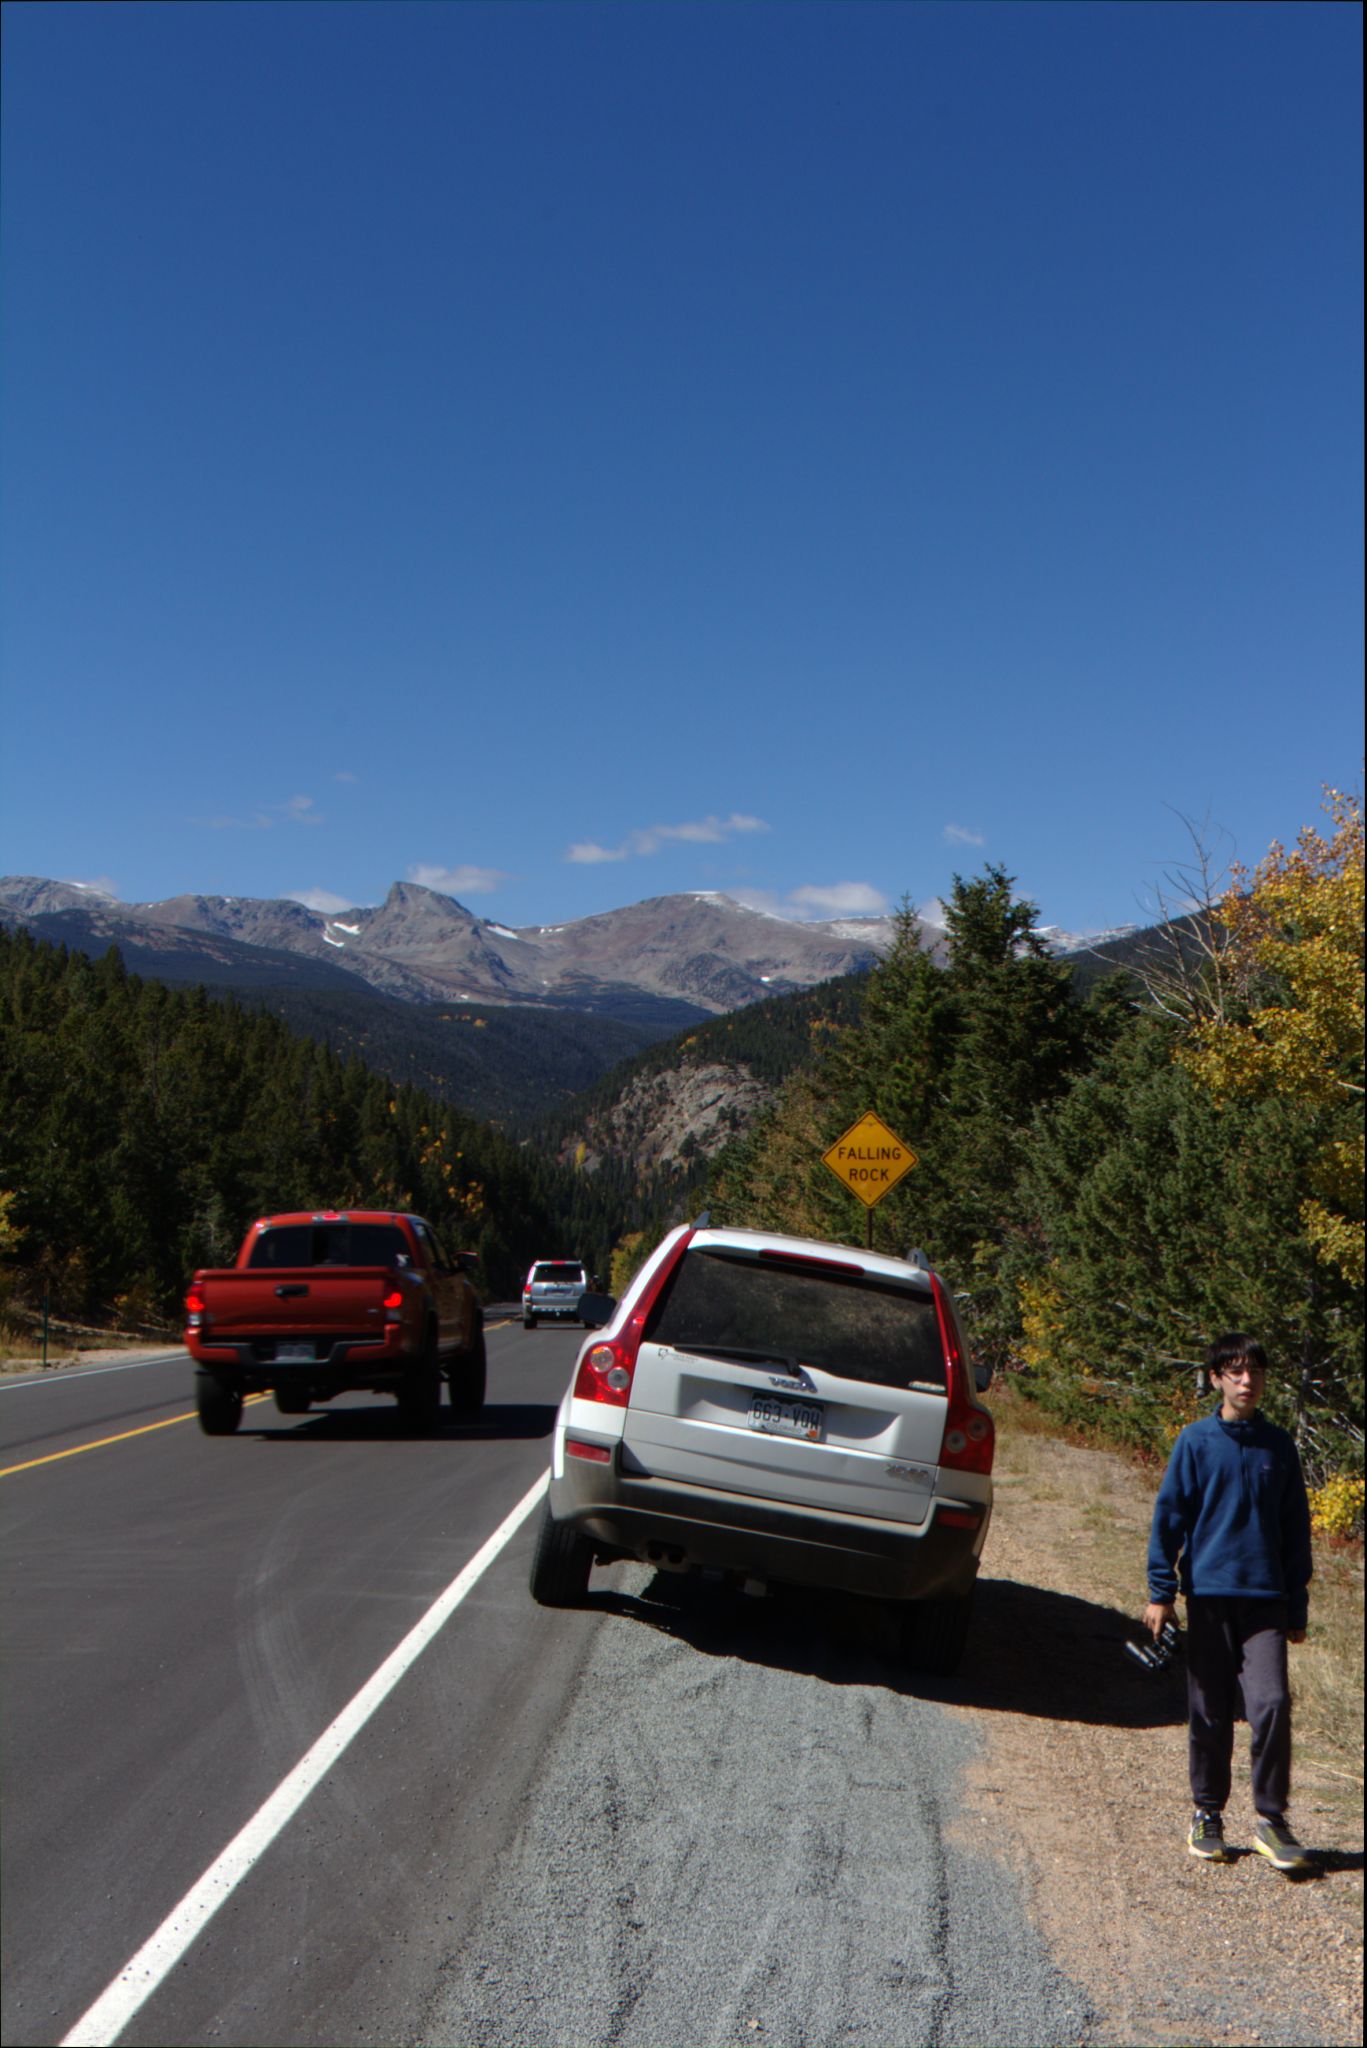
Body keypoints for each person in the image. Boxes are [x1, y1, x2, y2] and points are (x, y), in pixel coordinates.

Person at [1144, 1332, 1317, 1874]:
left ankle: (1271, 1819)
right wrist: (1160, 1593)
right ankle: (1207, 1813)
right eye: (1236, 1372)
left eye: (1256, 1373)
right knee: (1210, 1710)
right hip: (1211, 1597)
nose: (1247, 1382)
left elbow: (1295, 1531)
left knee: (1271, 1705)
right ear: (1216, 1377)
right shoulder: (1194, 1442)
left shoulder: (1278, 1447)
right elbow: (1169, 1518)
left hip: (1266, 1599)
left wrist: (1297, 1607)